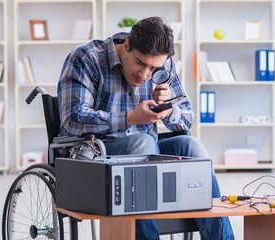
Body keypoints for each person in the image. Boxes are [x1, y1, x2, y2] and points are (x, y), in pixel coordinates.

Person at [57, 16, 234, 240]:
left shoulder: (163, 65)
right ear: (128, 45)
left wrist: (169, 109)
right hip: (94, 155)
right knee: (144, 142)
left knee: (191, 146)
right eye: (140, 63)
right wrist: (131, 118)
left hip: (146, 157)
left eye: (154, 69)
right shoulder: (86, 58)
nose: (145, 75)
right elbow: (72, 120)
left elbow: (187, 118)